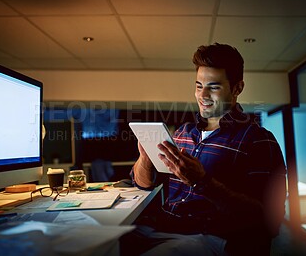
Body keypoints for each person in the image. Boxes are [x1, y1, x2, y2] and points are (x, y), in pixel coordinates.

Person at [120, 43, 287, 256]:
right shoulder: (183, 133)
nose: (203, 95)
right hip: (165, 228)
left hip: (213, 239)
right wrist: (145, 158)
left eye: (214, 87)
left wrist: (203, 182)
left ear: (237, 88)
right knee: (102, 245)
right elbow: (143, 185)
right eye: (199, 86)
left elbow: (270, 221)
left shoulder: (259, 140)